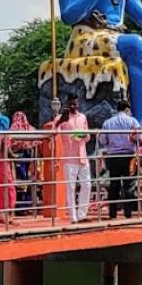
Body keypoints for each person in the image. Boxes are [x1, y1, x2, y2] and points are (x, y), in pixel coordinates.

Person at [98, 101, 141, 219]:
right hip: (129, 157)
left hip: (113, 157)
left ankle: (112, 214)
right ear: (127, 109)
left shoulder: (108, 122)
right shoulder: (132, 121)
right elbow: (139, 137)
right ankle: (128, 214)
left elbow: (102, 140)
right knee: (129, 186)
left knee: (114, 185)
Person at [56, 94, 91, 223]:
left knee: (87, 184)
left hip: (82, 156)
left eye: (75, 104)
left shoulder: (83, 117)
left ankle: (82, 214)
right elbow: (55, 132)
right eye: (71, 104)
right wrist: (61, 122)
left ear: (78, 104)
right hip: (69, 157)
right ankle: (73, 216)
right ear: (67, 104)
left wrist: (81, 135)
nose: (73, 106)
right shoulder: (61, 118)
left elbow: (87, 136)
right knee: (70, 187)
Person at [10, 111, 37, 213]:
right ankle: (26, 205)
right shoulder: (30, 128)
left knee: (19, 180)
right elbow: (37, 140)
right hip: (29, 156)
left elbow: (9, 140)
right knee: (27, 179)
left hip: (18, 156)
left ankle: (20, 206)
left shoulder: (14, 128)